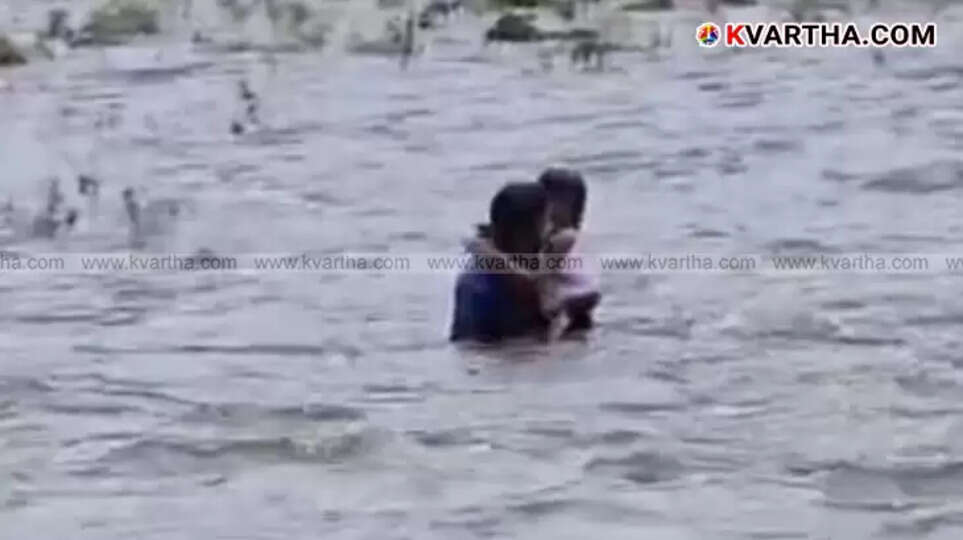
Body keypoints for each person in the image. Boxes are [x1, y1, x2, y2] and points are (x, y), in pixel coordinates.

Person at [450, 183, 549, 342]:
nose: (550, 231)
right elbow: (473, 347)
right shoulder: (482, 284)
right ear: (522, 234)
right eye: (545, 224)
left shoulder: (486, 265)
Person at [537, 167, 601, 332]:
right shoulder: (572, 236)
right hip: (575, 314)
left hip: (566, 315)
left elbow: (539, 276)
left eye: (557, 201)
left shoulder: (564, 238)